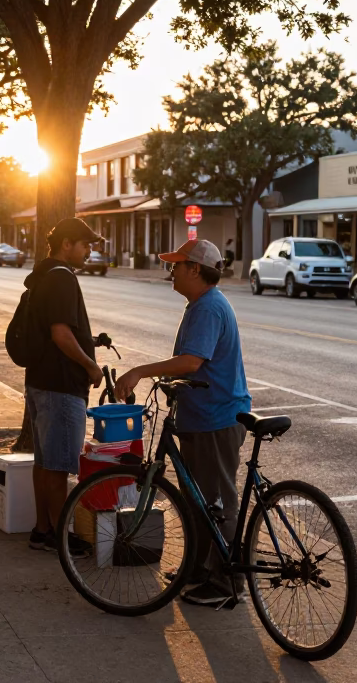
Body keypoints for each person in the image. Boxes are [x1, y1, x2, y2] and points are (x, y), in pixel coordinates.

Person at [114, 239, 251, 607]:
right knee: (196, 499)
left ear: (195, 269)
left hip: (216, 418)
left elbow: (192, 361)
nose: (171, 272)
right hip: (199, 417)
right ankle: (198, 568)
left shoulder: (208, 308)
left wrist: (141, 371)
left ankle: (226, 583)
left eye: (177, 265)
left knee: (218, 501)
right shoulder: (200, 305)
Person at [23, 218, 105, 558]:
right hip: (60, 386)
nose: (88, 252)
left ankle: (41, 529)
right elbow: (60, 333)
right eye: (85, 245)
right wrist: (90, 364)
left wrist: (90, 340)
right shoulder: (63, 278)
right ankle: (59, 534)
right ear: (67, 244)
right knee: (57, 468)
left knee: (43, 463)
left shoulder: (43, 275)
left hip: (40, 382)